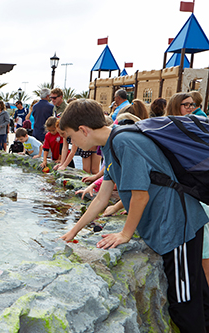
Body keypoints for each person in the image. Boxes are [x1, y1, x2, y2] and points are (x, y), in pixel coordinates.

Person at [59, 99, 209, 332]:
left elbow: (140, 197)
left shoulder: (125, 142)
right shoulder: (112, 143)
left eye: (70, 137)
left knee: (184, 302)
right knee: (196, 293)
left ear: (83, 130)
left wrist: (125, 234)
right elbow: (101, 197)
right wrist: (72, 231)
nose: (72, 143)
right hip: (170, 223)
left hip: (177, 227)